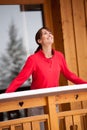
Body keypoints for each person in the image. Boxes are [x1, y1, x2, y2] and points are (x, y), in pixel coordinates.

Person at [5, 26, 87, 93]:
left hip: (53, 100)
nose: (49, 35)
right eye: (45, 33)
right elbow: (20, 79)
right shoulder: (33, 59)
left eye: (50, 33)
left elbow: (69, 75)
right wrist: (6, 95)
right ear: (39, 41)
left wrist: (85, 84)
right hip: (37, 102)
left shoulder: (59, 56)